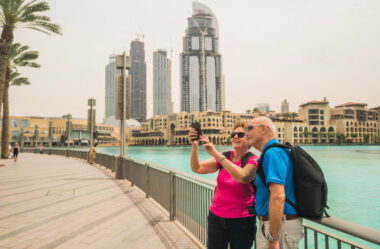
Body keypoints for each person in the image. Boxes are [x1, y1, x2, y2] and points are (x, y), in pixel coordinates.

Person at [188, 121, 259, 249]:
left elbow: (242, 177)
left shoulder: (253, 160)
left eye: (240, 134)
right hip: (216, 218)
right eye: (233, 134)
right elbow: (196, 168)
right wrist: (194, 146)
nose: (235, 136)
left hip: (242, 221)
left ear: (249, 140)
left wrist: (215, 153)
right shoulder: (225, 156)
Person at [245, 117, 303, 249]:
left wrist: (274, 238)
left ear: (263, 129)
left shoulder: (273, 153)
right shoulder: (272, 152)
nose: (247, 133)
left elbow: (278, 196)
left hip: (278, 227)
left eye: (250, 128)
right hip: (275, 225)